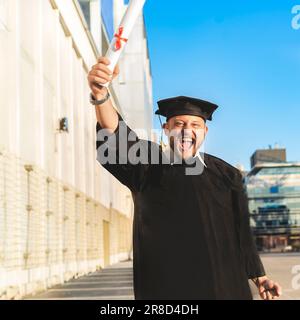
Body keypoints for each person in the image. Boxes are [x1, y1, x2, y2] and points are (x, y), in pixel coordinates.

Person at [87, 56, 282, 300]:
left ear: (205, 131)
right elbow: (114, 133)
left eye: (195, 125)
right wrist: (100, 93)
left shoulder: (228, 174)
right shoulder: (146, 163)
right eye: (179, 123)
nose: (187, 131)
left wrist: (259, 277)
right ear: (166, 129)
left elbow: (240, 232)